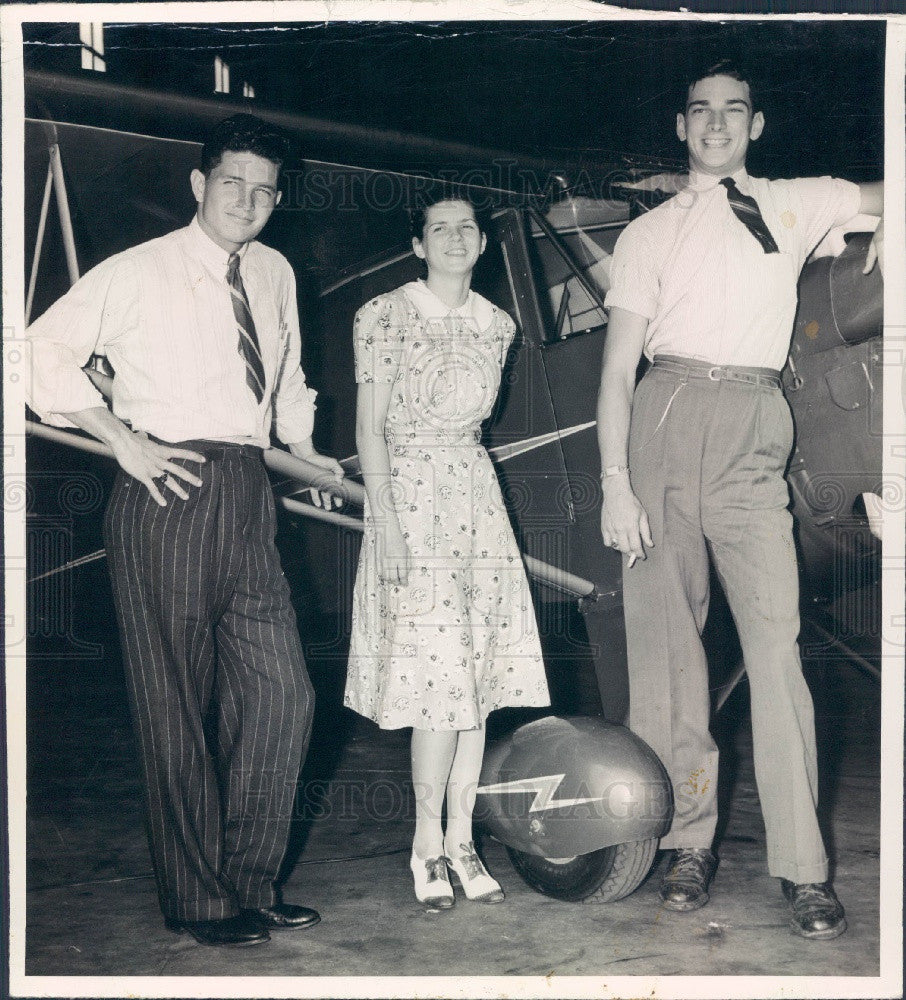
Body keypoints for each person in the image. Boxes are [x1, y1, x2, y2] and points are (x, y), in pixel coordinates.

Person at [25, 114, 344, 947]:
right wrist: (121, 441)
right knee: (175, 702)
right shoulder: (137, 272)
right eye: (232, 183)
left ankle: (248, 881)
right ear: (199, 186)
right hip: (166, 486)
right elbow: (32, 354)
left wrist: (314, 457)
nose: (248, 200)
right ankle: (197, 899)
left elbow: (287, 379)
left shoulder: (272, 271)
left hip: (247, 486)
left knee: (285, 696)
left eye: (265, 189)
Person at [596, 60, 883, 940]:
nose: (716, 124)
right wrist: (615, 483)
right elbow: (617, 369)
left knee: (777, 648)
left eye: (734, 111)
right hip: (664, 415)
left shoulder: (800, 202)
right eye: (700, 112)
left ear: (756, 126)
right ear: (682, 128)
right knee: (669, 656)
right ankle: (687, 843)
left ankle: (803, 869)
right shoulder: (648, 234)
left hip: (757, 422)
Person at [344, 191, 550, 909]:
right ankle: (424, 846)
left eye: (468, 228)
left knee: (476, 687)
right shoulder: (383, 315)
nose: (456, 237)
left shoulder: (498, 325)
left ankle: (463, 841)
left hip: (475, 498)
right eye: (440, 228)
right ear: (418, 245)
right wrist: (388, 523)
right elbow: (370, 428)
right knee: (437, 687)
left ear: (483, 244)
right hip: (409, 497)